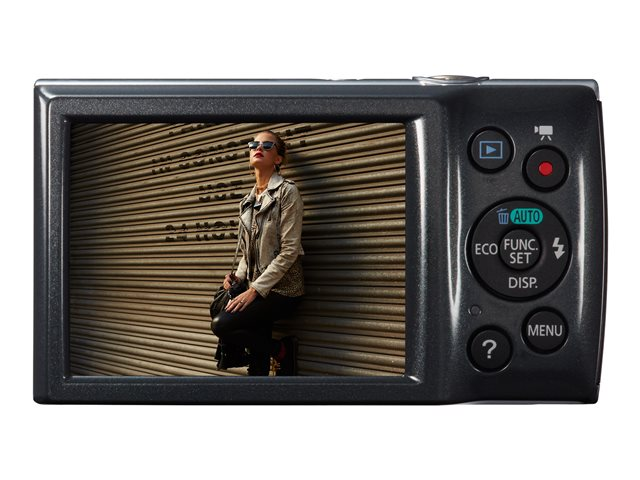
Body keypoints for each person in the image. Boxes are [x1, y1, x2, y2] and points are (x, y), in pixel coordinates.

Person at [211, 130, 305, 376]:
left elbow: (290, 251)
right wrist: (239, 278)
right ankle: (265, 373)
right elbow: (247, 251)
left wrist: (254, 290)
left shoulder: (287, 192)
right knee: (257, 364)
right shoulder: (247, 201)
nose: (258, 148)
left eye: (267, 145)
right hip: (255, 288)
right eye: (253, 144)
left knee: (222, 325)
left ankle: (280, 350)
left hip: (283, 289)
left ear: (278, 159)